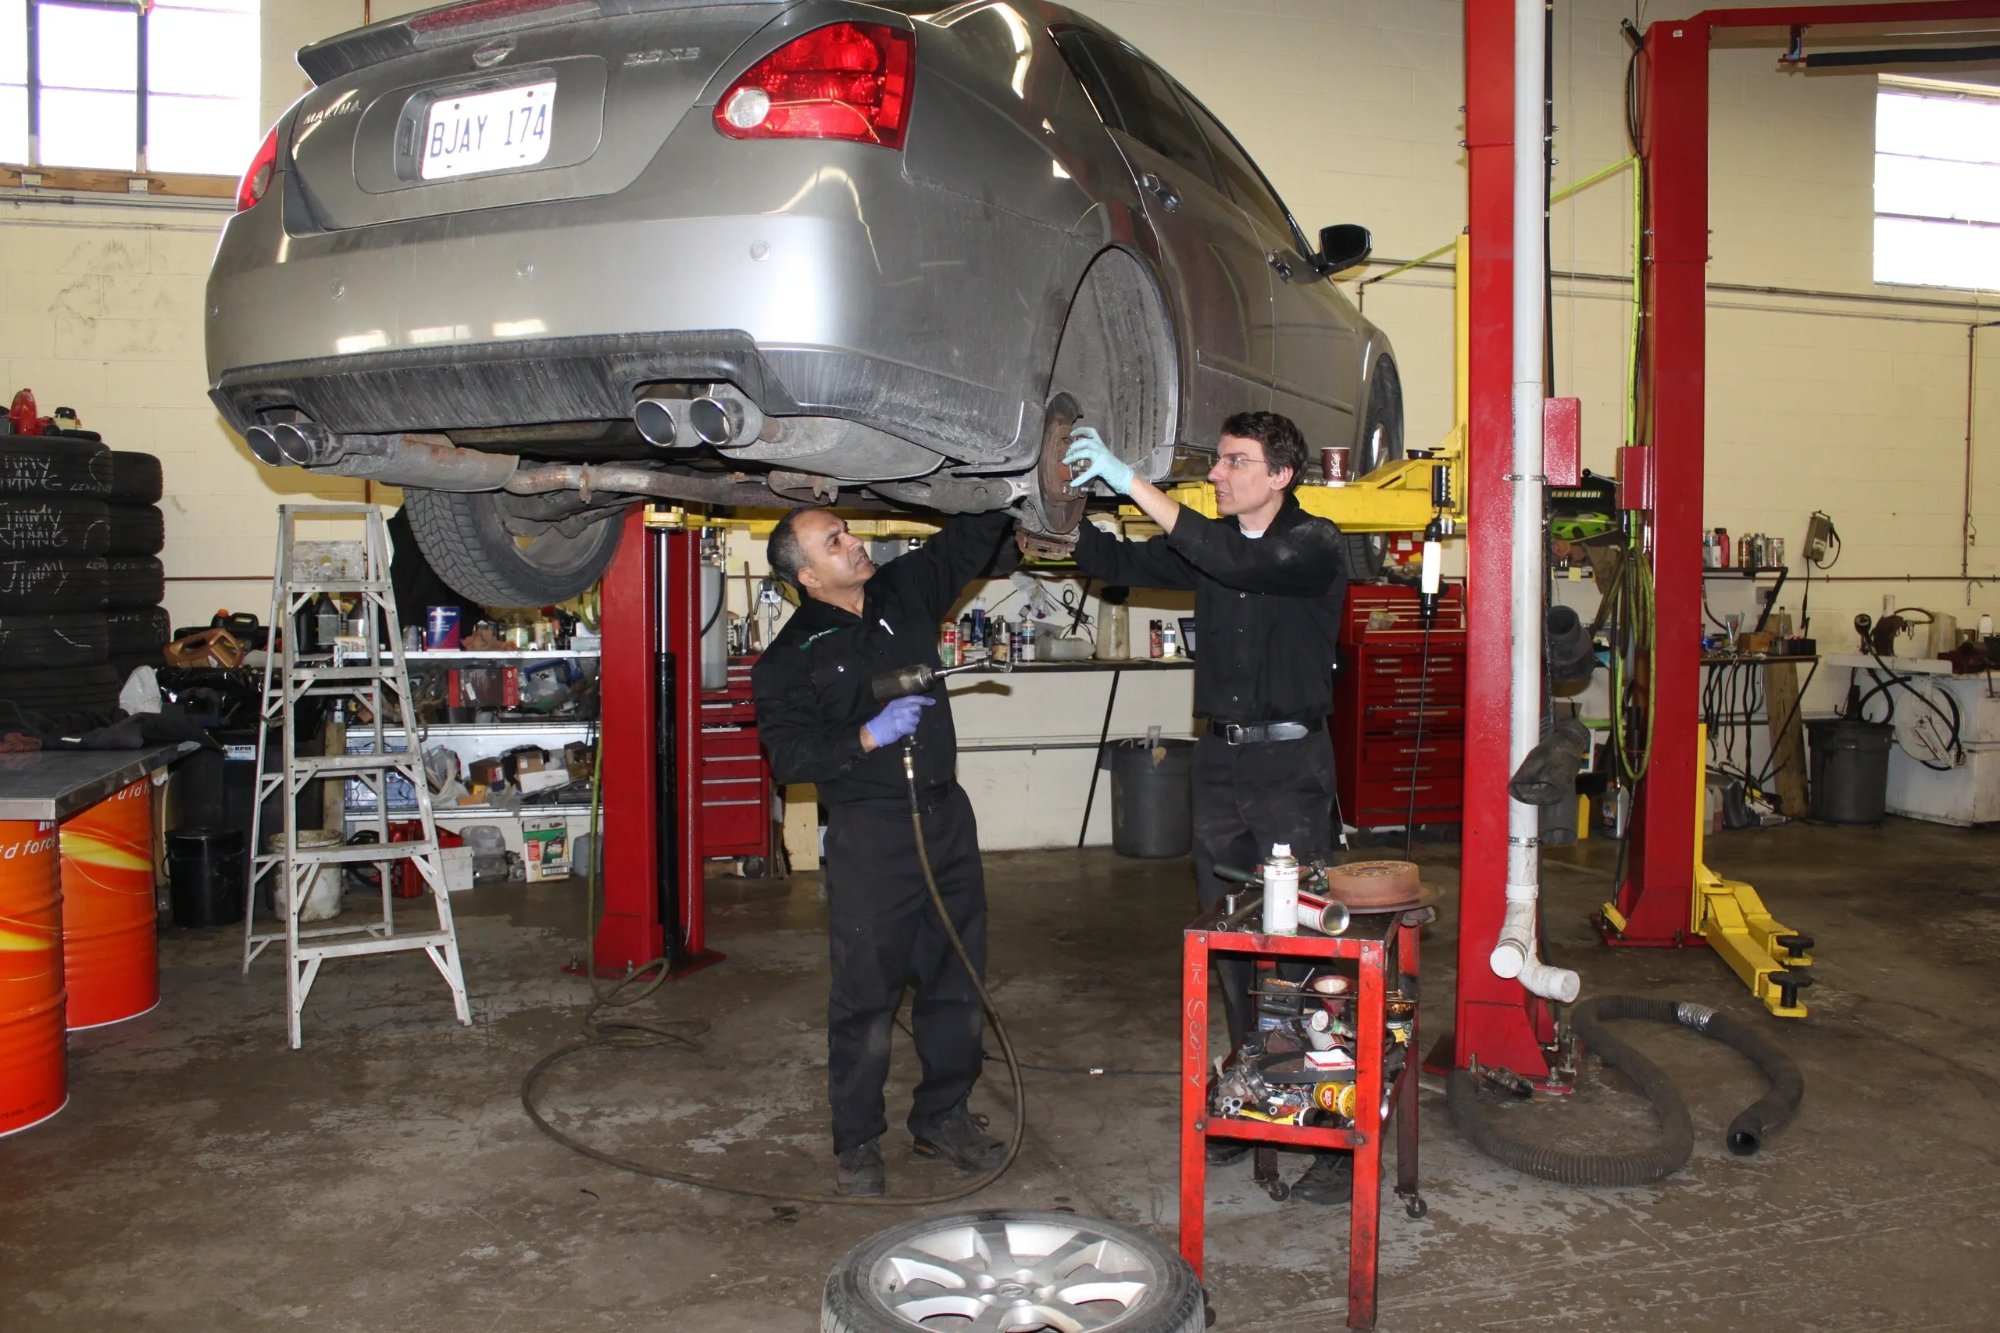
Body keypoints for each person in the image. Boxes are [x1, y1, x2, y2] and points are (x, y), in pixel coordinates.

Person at [1061, 410, 1352, 1203]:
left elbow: (1229, 556)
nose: (1218, 473)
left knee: (1303, 950)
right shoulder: (1211, 543)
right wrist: (1051, 507)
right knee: (1228, 935)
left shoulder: (1314, 544)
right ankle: (1250, 1100)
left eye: (1234, 461)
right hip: (1220, 759)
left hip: (1292, 766)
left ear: (1281, 474)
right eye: (1218, 460)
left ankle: (1330, 1135)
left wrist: (1132, 481)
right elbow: (1119, 557)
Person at [752, 505, 1015, 1197]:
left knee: (957, 977)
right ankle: (859, 1141)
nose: (854, 542)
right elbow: (787, 756)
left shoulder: (906, 590)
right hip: (870, 832)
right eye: (834, 542)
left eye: (848, 530)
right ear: (807, 575)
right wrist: (867, 735)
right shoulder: (788, 659)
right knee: (866, 994)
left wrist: (999, 485)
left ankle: (943, 1116)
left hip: (944, 816)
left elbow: (969, 536)